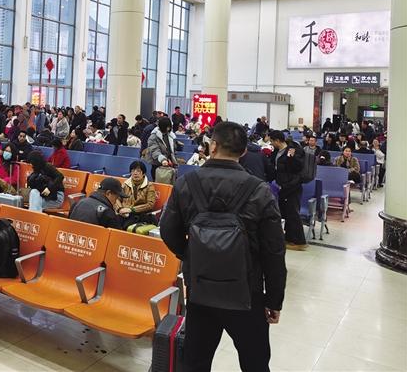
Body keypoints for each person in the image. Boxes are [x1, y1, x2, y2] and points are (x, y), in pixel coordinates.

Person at [159, 121, 287, 372]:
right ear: (243, 152)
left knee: (195, 362)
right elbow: (274, 250)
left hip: (200, 289)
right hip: (247, 294)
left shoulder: (186, 183)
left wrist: (190, 255)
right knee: (255, 363)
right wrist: (274, 300)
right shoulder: (259, 190)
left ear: (213, 145)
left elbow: (168, 230)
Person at [267, 131, 307, 250]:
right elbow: (274, 167)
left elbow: (297, 167)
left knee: (293, 213)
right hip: (282, 186)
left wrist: (291, 158)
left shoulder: (293, 150)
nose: (271, 143)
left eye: (272, 141)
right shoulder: (276, 152)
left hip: (293, 186)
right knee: (286, 213)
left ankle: (299, 241)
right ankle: (289, 238)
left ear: (277, 141)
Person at [115, 161, 157, 226]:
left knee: (125, 225)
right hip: (123, 212)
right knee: (112, 221)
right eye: (133, 171)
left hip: (138, 214)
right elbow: (117, 199)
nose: (135, 173)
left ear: (143, 173)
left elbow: (150, 204)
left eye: (138, 171)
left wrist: (131, 210)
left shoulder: (149, 186)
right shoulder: (125, 184)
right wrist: (120, 209)